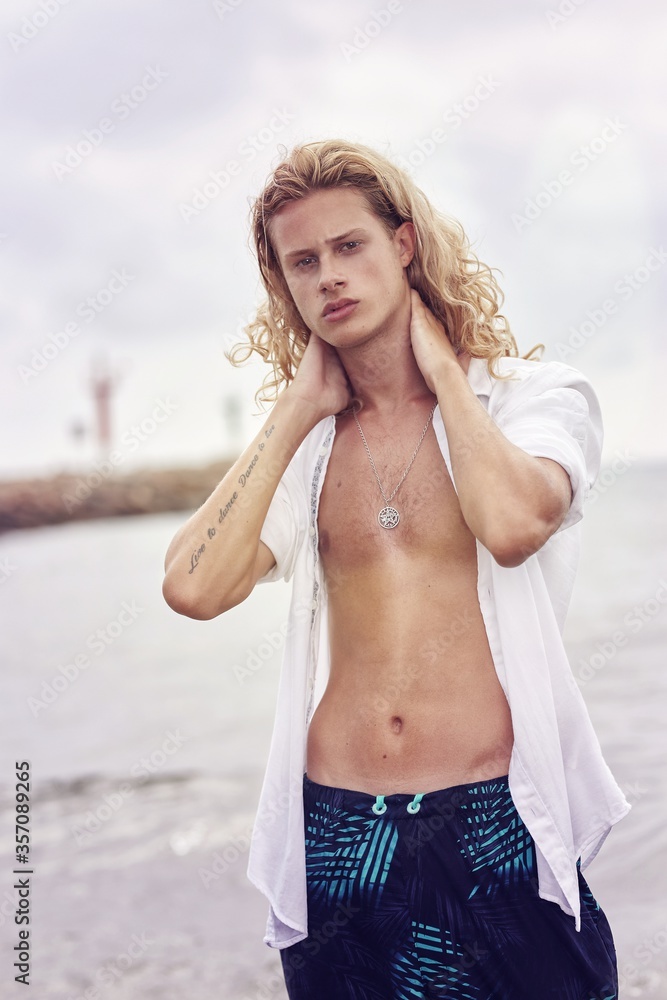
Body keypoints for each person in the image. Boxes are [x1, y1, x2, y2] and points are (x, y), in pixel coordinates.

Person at [162, 139, 630, 999]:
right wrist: (299, 406)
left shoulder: (532, 400)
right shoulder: (307, 450)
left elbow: (514, 522)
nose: (327, 277)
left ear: (403, 246)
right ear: (284, 287)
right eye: (302, 263)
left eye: (349, 247)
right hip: (336, 832)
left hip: (491, 820)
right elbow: (193, 585)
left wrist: (446, 369)